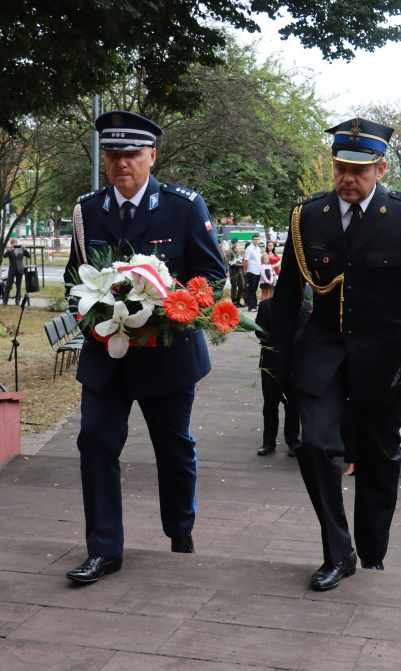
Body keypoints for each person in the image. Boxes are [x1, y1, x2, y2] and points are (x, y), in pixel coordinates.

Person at [268, 117, 401, 590]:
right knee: (316, 446)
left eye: (359, 170)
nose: (347, 178)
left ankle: (371, 546)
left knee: (378, 459)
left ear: (380, 169)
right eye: (340, 167)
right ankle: (337, 550)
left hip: (384, 356)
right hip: (323, 349)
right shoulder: (309, 215)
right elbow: (287, 294)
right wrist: (277, 361)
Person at [62, 110, 225, 586]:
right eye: (113, 155)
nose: (122, 163)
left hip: (167, 352)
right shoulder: (87, 210)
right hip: (106, 353)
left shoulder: (184, 206)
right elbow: (77, 278)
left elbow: (212, 277)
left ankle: (180, 535)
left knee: (173, 450)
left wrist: (168, 304)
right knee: (94, 439)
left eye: (132, 154)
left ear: (152, 155)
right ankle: (104, 550)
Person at [255, 297, 300, 457]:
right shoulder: (266, 305)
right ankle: (268, 441)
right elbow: (259, 329)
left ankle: (293, 441)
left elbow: (304, 331)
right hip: (271, 361)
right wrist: (274, 343)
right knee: (270, 404)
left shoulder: (302, 305)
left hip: (293, 363)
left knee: (293, 405)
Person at [2, 238, 28, 305]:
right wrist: (10, 249)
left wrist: (25, 249)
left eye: (16, 241)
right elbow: (4, 256)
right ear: (11, 243)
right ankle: (5, 301)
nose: (15, 243)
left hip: (20, 269)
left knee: (18, 286)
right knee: (8, 286)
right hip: (12, 270)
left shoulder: (21, 249)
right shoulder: (9, 250)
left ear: (17, 242)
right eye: (13, 242)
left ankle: (17, 301)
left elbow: (29, 256)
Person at [225, 238, 246, 306]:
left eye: (236, 243)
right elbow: (227, 262)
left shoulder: (238, 251)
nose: (235, 244)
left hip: (239, 270)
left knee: (242, 286)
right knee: (234, 286)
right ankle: (234, 302)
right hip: (233, 271)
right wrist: (227, 271)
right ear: (232, 244)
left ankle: (238, 300)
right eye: (234, 243)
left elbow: (240, 260)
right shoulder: (230, 252)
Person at [244, 234, 262, 311]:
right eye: (255, 239)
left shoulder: (258, 248)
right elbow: (246, 260)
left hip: (257, 271)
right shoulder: (249, 248)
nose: (256, 240)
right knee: (251, 289)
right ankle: (251, 306)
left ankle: (254, 304)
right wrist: (244, 269)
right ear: (252, 239)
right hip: (251, 270)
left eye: (257, 239)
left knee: (254, 289)